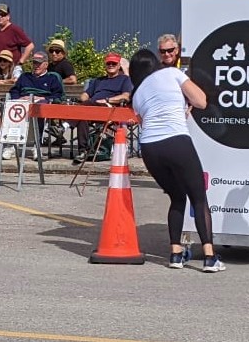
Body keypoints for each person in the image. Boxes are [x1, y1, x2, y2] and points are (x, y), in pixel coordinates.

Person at [132, 34, 222, 271]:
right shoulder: (174, 74)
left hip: (150, 148)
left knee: (176, 197)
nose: (166, 55)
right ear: (156, 59)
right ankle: (210, 257)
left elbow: (145, 119)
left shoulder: (137, 94)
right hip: (176, 140)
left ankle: (175, 253)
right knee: (199, 197)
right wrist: (188, 105)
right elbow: (201, 101)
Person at [73, 53, 135, 164]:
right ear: (105, 65)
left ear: (118, 66)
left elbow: (126, 96)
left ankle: (64, 126)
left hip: (110, 109)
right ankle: (82, 152)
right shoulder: (98, 80)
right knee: (82, 117)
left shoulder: (124, 79)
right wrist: (84, 98)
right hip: (92, 107)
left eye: (114, 63)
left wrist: (107, 100)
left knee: (82, 110)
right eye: (108, 63)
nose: (111, 65)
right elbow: (85, 94)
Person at [0, 3, 33, 80]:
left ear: (8, 16)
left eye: (3, 14)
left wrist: (21, 61)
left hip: (12, 71)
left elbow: (30, 46)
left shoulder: (15, 30)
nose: (0, 17)